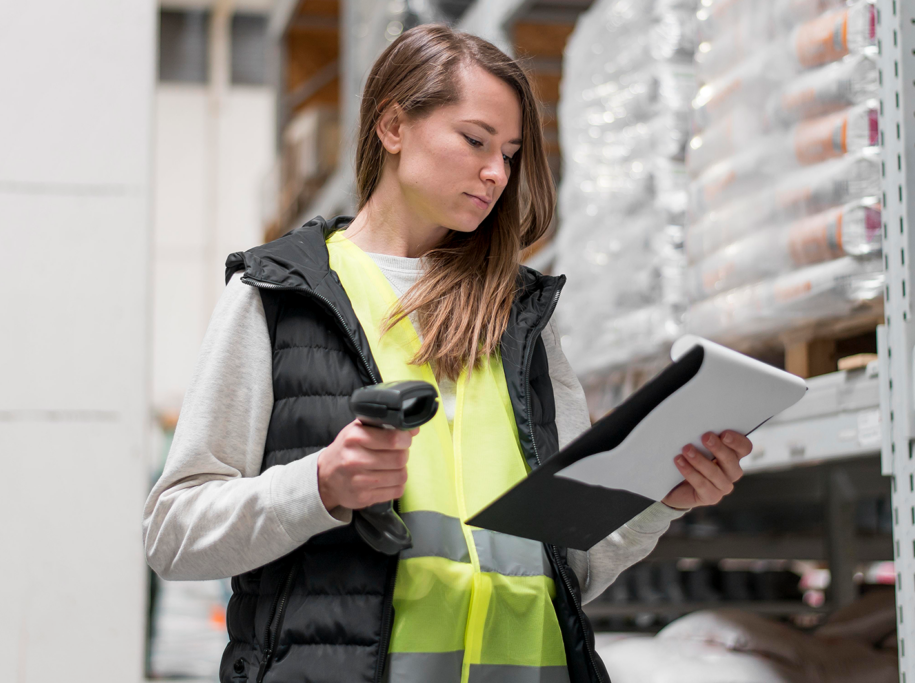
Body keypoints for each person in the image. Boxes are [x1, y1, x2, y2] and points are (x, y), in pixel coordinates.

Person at [143, 23, 753, 683]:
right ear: (393, 126)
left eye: (512, 153)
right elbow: (174, 534)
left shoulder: (521, 318)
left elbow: (571, 566)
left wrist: (661, 497)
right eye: (474, 140)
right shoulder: (279, 295)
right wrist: (318, 484)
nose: (497, 172)